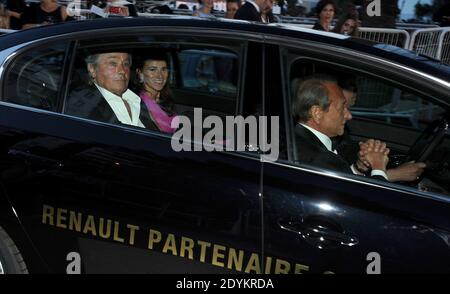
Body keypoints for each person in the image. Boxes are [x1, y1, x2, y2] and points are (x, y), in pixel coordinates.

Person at [292, 76, 389, 180]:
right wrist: (378, 166)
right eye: (342, 108)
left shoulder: (299, 140)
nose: (349, 115)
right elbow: (367, 196)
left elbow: (341, 181)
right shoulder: (320, 159)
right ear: (317, 113)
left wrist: (359, 168)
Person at [337, 79, 426, 182]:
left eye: (349, 107)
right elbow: (339, 185)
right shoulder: (320, 146)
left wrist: (361, 166)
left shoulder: (342, 134)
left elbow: (347, 174)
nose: (348, 116)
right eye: (340, 108)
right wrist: (393, 174)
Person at [66, 51, 157, 130]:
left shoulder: (136, 101)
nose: (122, 71)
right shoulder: (82, 105)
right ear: (92, 69)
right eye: (113, 63)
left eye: (125, 64)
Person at [135, 53, 178, 133]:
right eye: (152, 70)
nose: (160, 76)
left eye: (163, 69)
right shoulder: (140, 104)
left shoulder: (165, 97)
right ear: (140, 73)